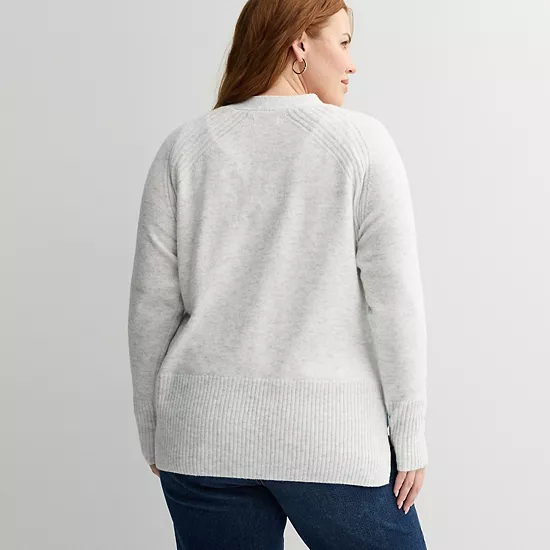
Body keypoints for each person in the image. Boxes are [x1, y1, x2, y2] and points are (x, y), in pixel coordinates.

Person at [127, 1, 429, 548]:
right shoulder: (361, 144)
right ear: (299, 44)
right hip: (328, 439)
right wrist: (410, 437)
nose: (352, 63)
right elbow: (395, 303)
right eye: (343, 42)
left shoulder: (184, 149)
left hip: (201, 436)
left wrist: (154, 431)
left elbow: (152, 308)